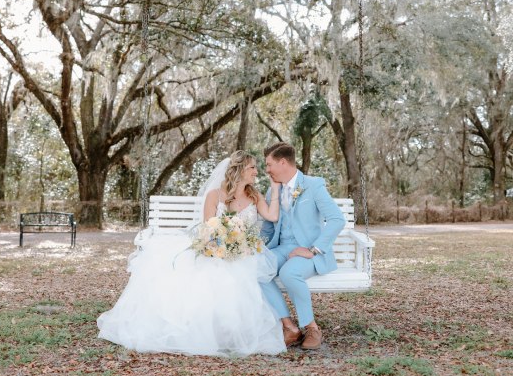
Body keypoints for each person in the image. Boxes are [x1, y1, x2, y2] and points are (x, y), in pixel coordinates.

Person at [96, 150, 285, 356]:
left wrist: (275, 189)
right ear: (239, 169)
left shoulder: (254, 195)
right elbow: (208, 229)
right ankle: (209, 330)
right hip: (216, 248)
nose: (257, 172)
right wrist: (222, 245)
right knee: (210, 274)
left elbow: (272, 215)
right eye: (252, 167)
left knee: (236, 274)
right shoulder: (215, 195)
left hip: (243, 251)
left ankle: (231, 332)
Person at [260, 141, 346, 350]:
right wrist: (254, 247)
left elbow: (337, 219)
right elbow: (269, 229)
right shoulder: (273, 192)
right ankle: (289, 326)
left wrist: (313, 249)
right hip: (282, 248)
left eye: (269, 164)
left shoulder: (313, 185)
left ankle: (312, 328)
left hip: (308, 252)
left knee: (290, 273)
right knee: (257, 270)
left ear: (283, 162)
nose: (267, 170)